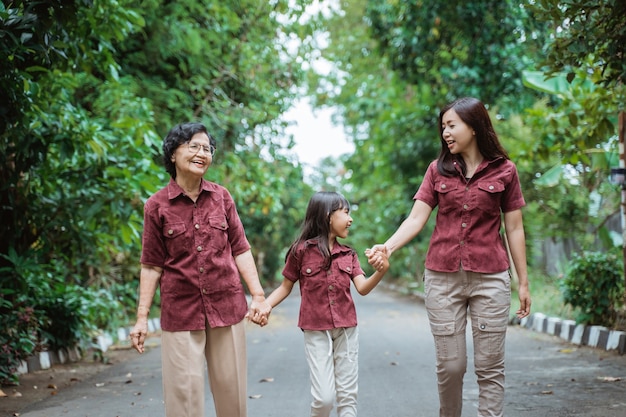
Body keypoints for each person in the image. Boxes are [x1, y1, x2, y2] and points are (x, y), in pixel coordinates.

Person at [368, 97, 531, 417]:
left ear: (474, 126)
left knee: (490, 367)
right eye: (443, 126)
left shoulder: (505, 171)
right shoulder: (437, 170)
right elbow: (416, 218)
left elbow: (514, 229)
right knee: (451, 365)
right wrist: (388, 246)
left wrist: (523, 282)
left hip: (491, 277)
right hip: (442, 278)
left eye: (452, 125)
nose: (445, 132)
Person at [129, 122, 271, 417]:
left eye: (207, 148)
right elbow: (152, 265)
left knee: (232, 396)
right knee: (185, 397)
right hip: (181, 311)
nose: (202, 153)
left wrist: (258, 296)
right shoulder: (156, 206)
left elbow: (240, 248)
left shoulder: (222, 197)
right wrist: (141, 318)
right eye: (193, 146)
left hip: (227, 305)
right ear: (172, 154)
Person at [262, 191, 389, 417]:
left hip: (347, 330)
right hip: (315, 330)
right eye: (346, 213)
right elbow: (285, 287)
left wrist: (382, 270)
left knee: (348, 397)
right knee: (323, 399)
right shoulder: (300, 251)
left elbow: (363, 288)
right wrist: (265, 306)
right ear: (328, 215)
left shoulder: (349, 254)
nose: (350, 219)